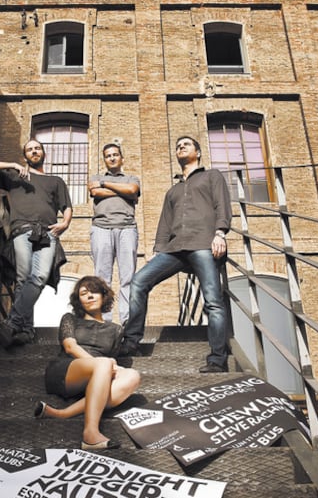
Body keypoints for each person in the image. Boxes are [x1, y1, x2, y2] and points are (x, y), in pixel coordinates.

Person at [119, 136, 232, 372]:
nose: (181, 147)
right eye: (178, 145)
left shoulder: (212, 176)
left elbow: (222, 205)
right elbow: (164, 224)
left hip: (203, 244)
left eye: (186, 144)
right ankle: (131, 343)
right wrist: (157, 251)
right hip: (174, 249)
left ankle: (218, 360)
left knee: (213, 301)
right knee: (139, 282)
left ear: (198, 153)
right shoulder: (173, 190)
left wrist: (220, 233)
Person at [0, 139, 72, 348]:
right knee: (23, 279)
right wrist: (12, 165)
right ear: (25, 156)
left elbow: (66, 206)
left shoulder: (55, 180)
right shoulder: (14, 176)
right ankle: (26, 330)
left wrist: (65, 223)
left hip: (48, 232)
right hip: (22, 230)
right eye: (30, 149)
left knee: (38, 277)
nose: (34, 151)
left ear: (43, 153)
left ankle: (12, 323)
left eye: (37, 148)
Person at [33, 276, 140, 450]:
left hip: (97, 375)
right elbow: (69, 346)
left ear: (103, 296)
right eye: (84, 293)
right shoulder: (70, 319)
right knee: (104, 363)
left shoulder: (116, 330)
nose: (89, 296)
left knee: (133, 376)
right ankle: (90, 434)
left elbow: (111, 358)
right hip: (67, 369)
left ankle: (64, 413)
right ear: (78, 300)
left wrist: (111, 366)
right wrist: (103, 364)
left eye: (94, 291)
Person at [88, 141, 140, 324]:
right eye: (108, 155)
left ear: (122, 158)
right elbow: (94, 191)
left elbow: (133, 190)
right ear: (104, 160)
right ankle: (105, 321)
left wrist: (105, 186)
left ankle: (126, 321)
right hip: (101, 227)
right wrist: (124, 193)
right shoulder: (96, 177)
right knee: (102, 278)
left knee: (128, 277)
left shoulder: (132, 178)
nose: (111, 157)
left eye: (115, 154)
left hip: (127, 228)